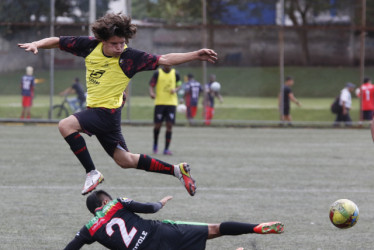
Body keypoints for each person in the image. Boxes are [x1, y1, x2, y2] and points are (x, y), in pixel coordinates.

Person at [18, 13, 217, 196]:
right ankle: (176, 170)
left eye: (122, 43)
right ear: (102, 40)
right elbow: (58, 41)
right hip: (105, 115)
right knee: (125, 160)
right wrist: (37, 43)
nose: (119, 47)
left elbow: (165, 59)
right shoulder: (89, 46)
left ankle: (92, 172)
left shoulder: (130, 58)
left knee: (65, 125)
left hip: (105, 113)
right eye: (114, 43)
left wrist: (195, 55)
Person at [64, 190, 285, 250]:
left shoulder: (89, 229)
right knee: (215, 229)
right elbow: (150, 208)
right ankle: (255, 228)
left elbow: (71, 247)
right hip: (161, 232)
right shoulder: (116, 203)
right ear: (104, 204)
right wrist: (161, 203)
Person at [149, 65, 181, 155]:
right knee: (157, 126)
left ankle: (166, 149)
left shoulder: (175, 73)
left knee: (169, 126)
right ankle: (155, 144)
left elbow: (179, 85)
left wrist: (176, 89)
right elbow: (151, 85)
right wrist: (151, 93)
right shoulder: (157, 73)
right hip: (160, 103)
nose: (168, 65)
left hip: (171, 103)